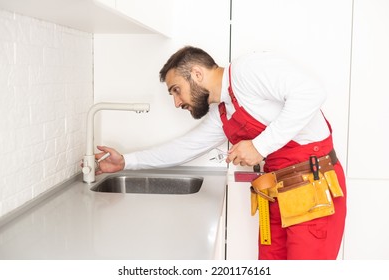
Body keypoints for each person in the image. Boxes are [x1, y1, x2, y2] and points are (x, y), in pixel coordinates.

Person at [94, 46, 347, 260]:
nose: (177, 102)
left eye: (176, 89)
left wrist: (259, 147)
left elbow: (312, 92)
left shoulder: (248, 71)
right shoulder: (224, 112)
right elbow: (184, 148)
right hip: (278, 197)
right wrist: (128, 161)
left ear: (196, 73)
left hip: (313, 193)